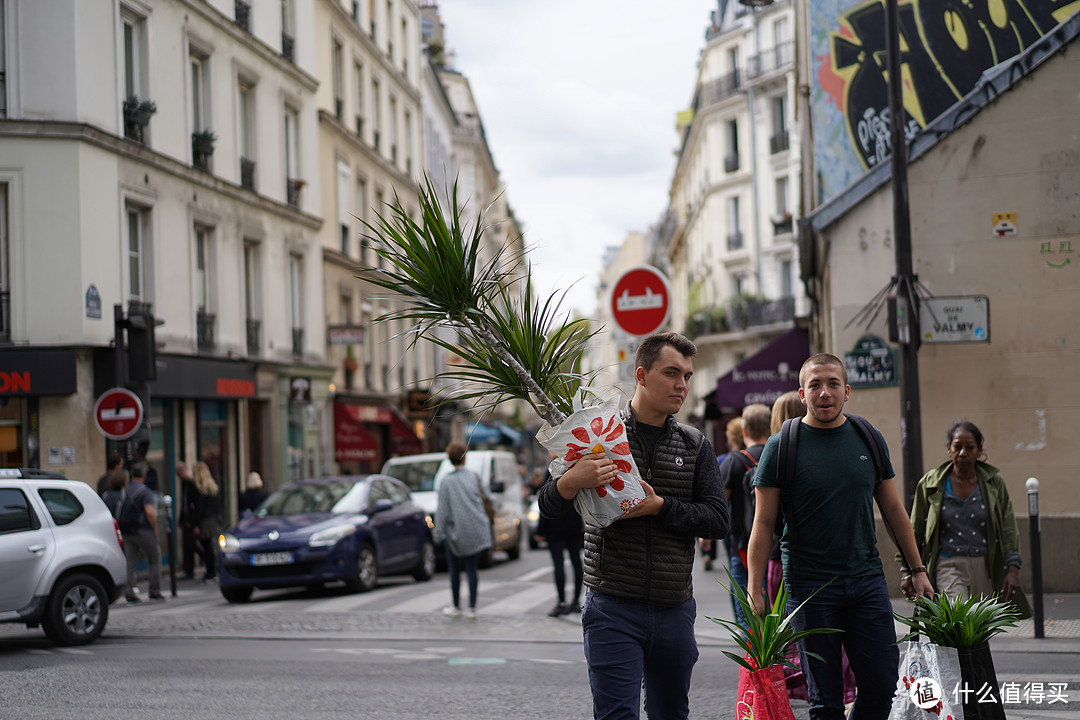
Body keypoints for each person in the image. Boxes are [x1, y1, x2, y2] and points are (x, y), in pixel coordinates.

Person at [538, 331, 728, 720]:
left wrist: (660, 507)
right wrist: (572, 480)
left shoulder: (694, 444)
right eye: (671, 373)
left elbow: (718, 520)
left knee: (670, 713)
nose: (681, 385)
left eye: (687, 376)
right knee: (616, 715)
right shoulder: (597, 433)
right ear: (641, 375)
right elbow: (547, 507)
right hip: (612, 606)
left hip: (674, 607)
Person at [747, 353, 932, 720]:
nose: (824, 392)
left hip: (866, 581)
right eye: (815, 385)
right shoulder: (782, 446)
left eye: (833, 384)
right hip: (810, 588)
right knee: (825, 700)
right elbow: (763, 524)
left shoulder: (868, 439)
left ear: (846, 391)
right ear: (802, 394)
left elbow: (894, 510)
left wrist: (918, 568)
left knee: (882, 684)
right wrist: (756, 590)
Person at [902, 420, 1033, 617]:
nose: (963, 453)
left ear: (979, 450)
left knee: (980, 627)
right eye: (957, 447)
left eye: (970, 447)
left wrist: (1013, 569)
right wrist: (907, 569)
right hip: (948, 565)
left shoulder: (993, 481)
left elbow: (1008, 526)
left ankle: (977, 650)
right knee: (959, 619)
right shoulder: (931, 483)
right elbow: (914, 529)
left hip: (985, 566)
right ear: (949, 449)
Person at [717, 403, 771, 629]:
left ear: (745, 431)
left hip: (742, 544)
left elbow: (719, 503)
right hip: (775, 545)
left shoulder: (733, 462)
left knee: (746, 609)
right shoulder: (776, 455)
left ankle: (756, 659)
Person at [432, 442, 493, 618]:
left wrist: (438, 533)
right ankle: (472, 608)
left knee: (455, 569)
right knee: (472, 568)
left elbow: (442, 511)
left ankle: (456, 605)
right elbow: (488, 497)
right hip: (476, 528)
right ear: (464, 458)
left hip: (455, 532)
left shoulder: (446, 481)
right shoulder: (474, 476)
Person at [105, 463, 163, 602]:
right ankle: (154, 591)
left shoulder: (124, 490)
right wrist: (154, 527)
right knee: (155, 559)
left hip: (127, 530)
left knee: (130, 562)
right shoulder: (145, 491)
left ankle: (129, 591)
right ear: (143, 475)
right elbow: (149, 511)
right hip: (143, 530)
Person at [535, 467, 585, 617]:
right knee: (576, 561)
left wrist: (540, 529)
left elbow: (545, 501)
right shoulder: (575, 466)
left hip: (554, 523)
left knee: (559, 563)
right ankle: (575, 601)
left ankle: (562, 602)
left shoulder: (551, 470)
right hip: (573, 522)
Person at [702, 416, 744, 571]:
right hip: (760, 525)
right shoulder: (762, 456)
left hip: (735, 526)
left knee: (738, 572)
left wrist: (707, 533)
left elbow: (718, 500)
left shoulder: (725, 461)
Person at [191, 461, 221, 582]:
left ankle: (210, 572)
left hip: (203, 520)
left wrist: (196, 523)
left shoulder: (199, 488)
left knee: (204, 546)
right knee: (209, 546)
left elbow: (199, 508)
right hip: (211, 519)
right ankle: (212, 571)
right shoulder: (212, 486)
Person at [176, 462, 198, 580]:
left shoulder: (191, 483)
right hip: (187, 520)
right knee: (187, 546)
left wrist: (193, 521)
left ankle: (190, 570)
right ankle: (188, 570)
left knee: (192, 545)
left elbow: (194, 505)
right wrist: (181, 520)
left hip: (191, 521)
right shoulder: (185, 484)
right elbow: (184, 504)